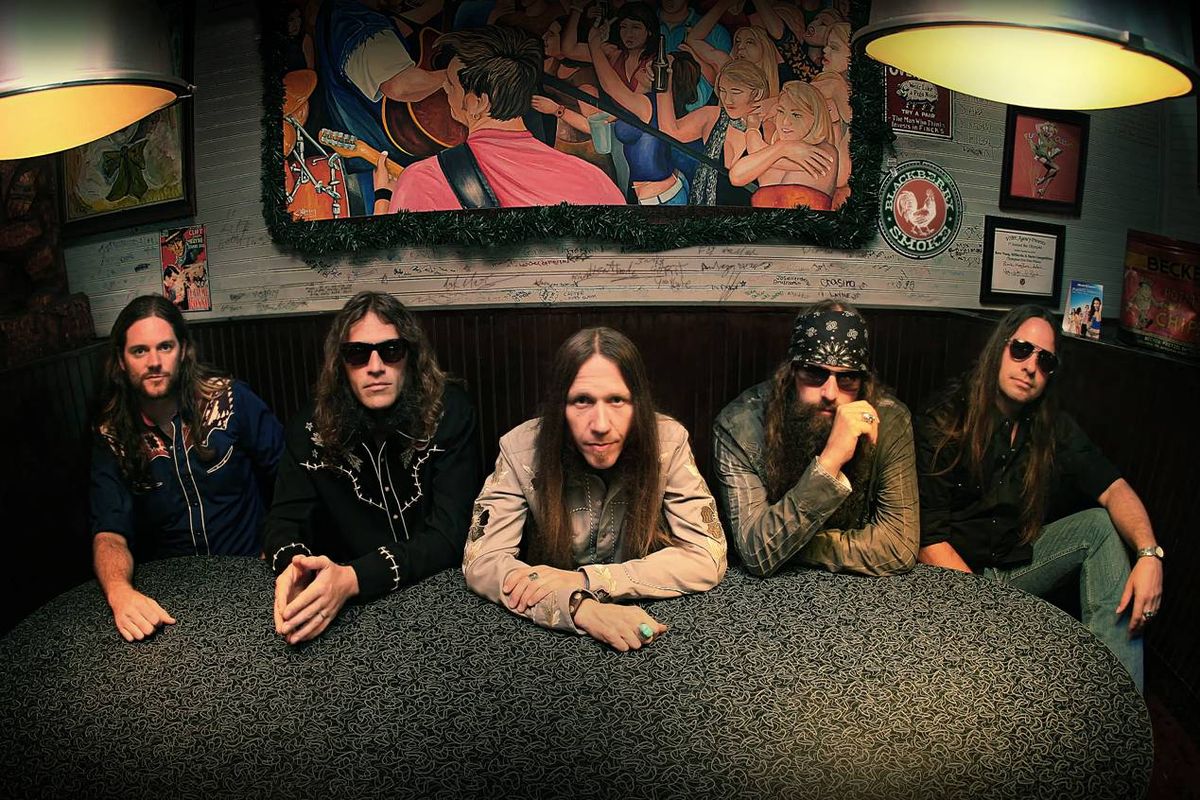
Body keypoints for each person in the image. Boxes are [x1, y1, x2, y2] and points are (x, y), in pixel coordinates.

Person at [916, 305, 1163, 691]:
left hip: (1012, 566)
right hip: (951, 576)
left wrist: (1149, 554)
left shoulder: (1051, 427)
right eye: (1021, 350)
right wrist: (996, 613)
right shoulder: (945, 419)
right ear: (999, 348)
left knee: (1100, 526)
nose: (1030, 366)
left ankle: (1115, 701)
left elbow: (1114, 488)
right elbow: (928, 540)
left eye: (1044, 360)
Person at [463, 327, 727, 651]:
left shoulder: (668, 443)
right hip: (544, 640)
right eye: (582, 400)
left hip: (653, 620)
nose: (600, 425)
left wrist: (590, 579)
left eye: (616, 400)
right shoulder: (520, 449)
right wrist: (578, 606)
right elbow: (482, 561)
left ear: (638, 403)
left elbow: (707, 555)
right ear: (560, 406)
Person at [265, 292, 480, 645]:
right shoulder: (309, 429)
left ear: (410, 356)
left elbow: (451, 533)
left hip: (442, 592)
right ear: (340, 364)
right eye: (357, 353)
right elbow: (283, 520)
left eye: (391, 350)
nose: (375, 366)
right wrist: (295, 566)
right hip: (352, 615)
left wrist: (353, 578)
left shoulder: (449, 412)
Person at [90, 295, 284, 642]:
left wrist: (279, 542)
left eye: (165, 347)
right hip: (172, 599)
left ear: (183, 351)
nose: (154, 362)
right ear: (120, 360)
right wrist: (119, 591)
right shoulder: (112, 435)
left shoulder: (230, 400)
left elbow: (290, 476)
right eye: (139, 351)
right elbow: (109, 532)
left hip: (254, 573)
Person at [712, 300, 919, 577]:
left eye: (847, 378)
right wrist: (830, 461)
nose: (830, 393)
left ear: (864, 381)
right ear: (791, 372)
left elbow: (898, 547)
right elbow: (757, 553)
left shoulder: (890, 421)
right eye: (814, 373)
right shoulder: (739, 426)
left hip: (864, 587)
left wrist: (789, 545)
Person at [383, 26, 625, 210]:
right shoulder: (594, 181)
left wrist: (382, 197)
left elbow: (396, 261)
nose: (445, 89)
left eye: (451, 84)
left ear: (479, 102)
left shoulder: (424, 180)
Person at [729, 79, 837, 209]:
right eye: (780, 111)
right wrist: (783, 147)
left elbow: (746, 166)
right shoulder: (777, 151)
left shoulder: (826, 152)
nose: (785, 122)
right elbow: (736, 176)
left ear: (816, 118)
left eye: (796, 115)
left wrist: (753, 129)